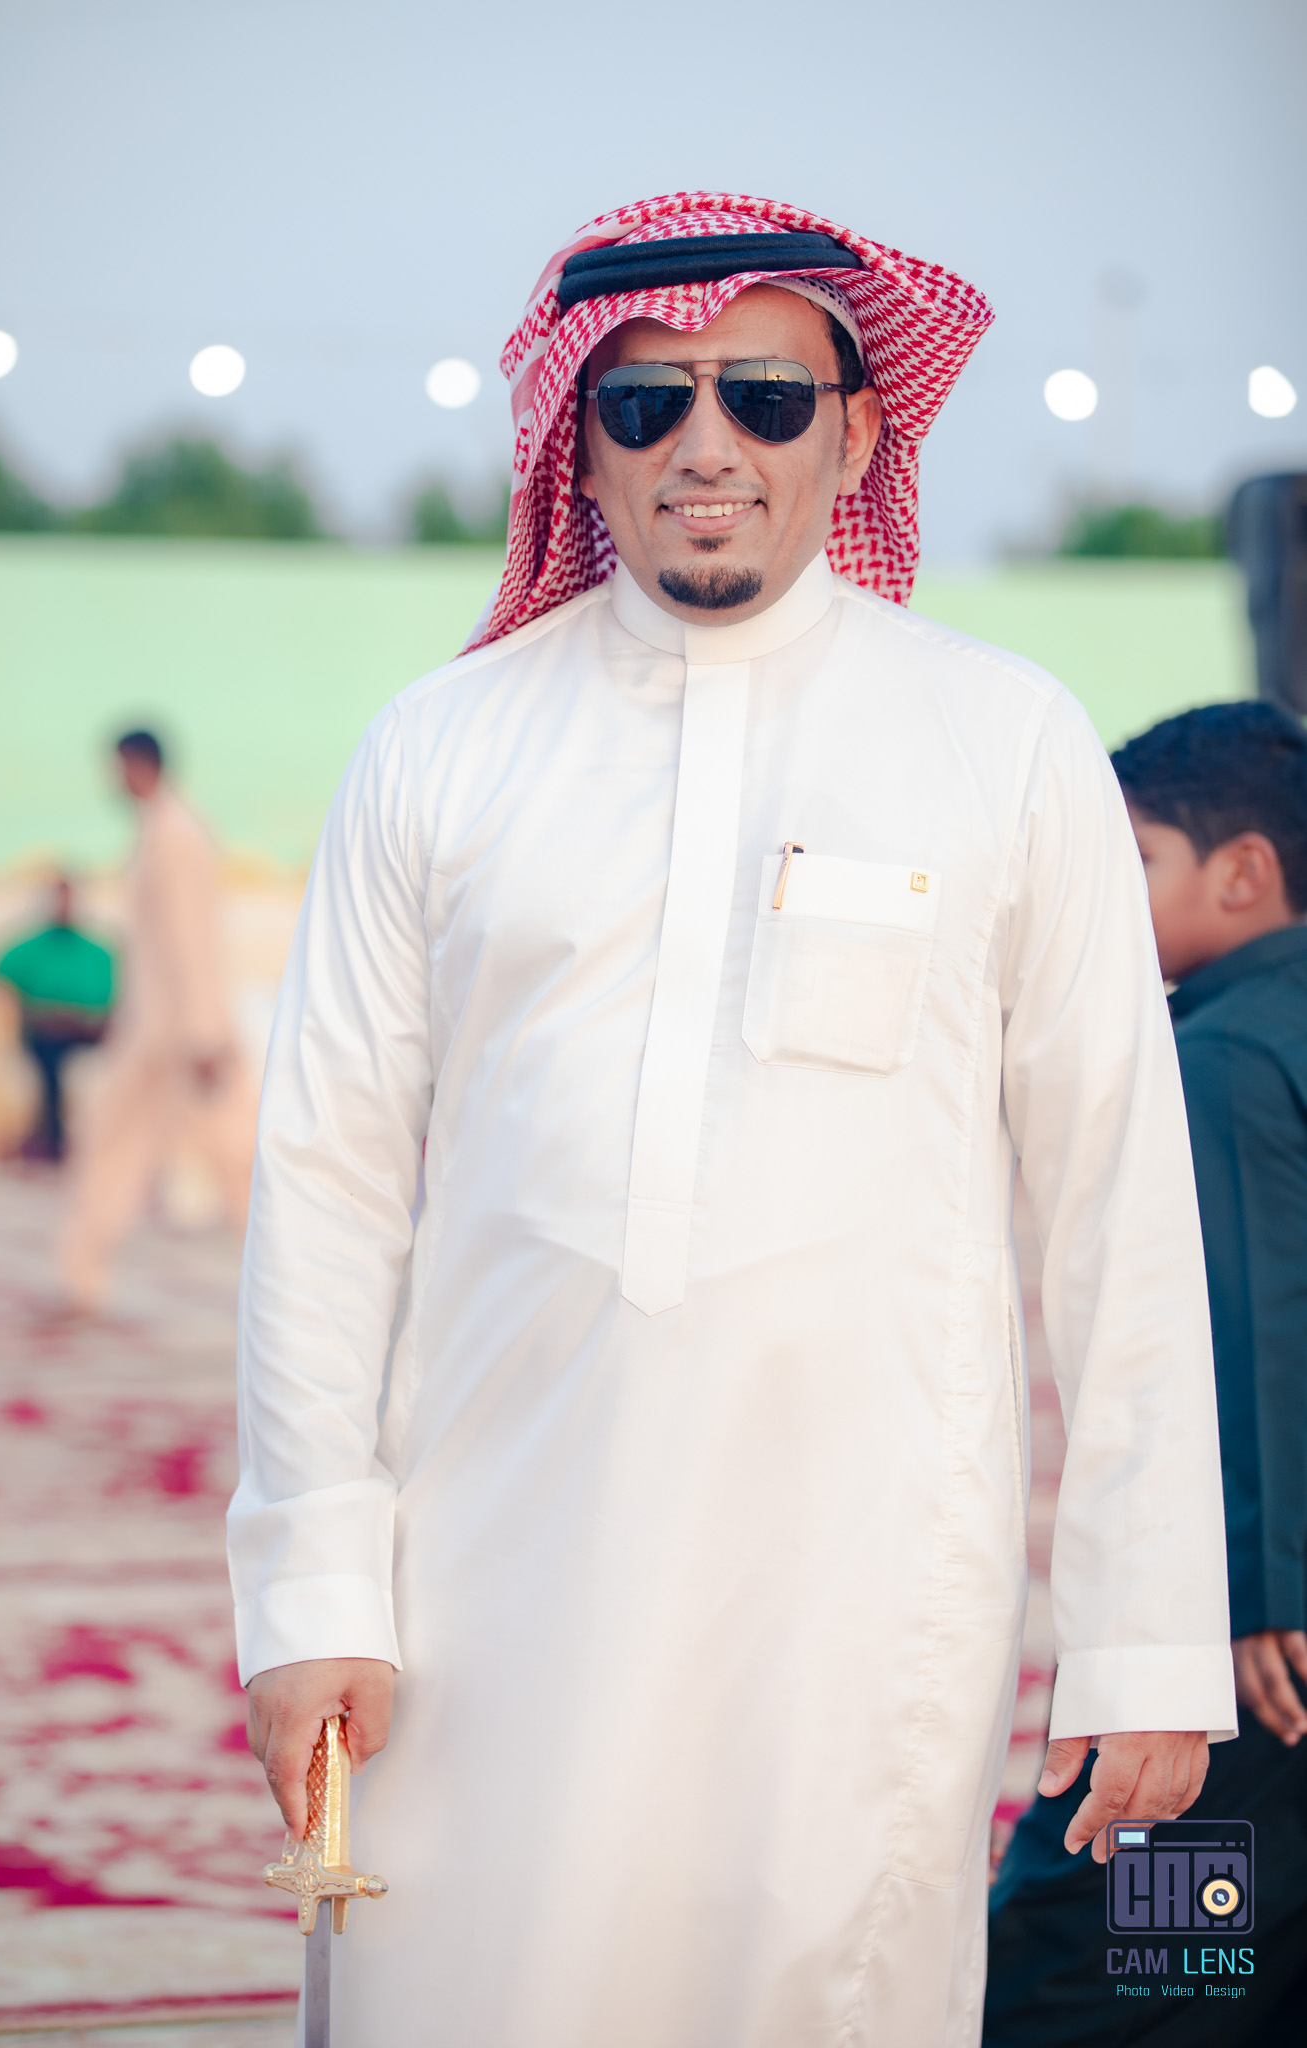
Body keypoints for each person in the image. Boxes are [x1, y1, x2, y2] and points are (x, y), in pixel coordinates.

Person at [230, 194, 1234, 2048]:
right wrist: (312, 1588)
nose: (708, 445)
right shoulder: (440, 749)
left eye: (766, 398)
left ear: (856, 433)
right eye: (649, 403)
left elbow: (1117, 1201)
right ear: (577, 443)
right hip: (474, 1595)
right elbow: (328, 1189)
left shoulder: (1002, 741)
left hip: (859, 1589)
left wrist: (1145, 1637)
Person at [984, 702, 1307, 2045]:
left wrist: (1249, 1595)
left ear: (1241, 873)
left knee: (1101, 1957)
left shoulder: (1221, 1056)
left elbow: (1247, 1326)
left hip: (1256, 1645)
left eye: (1136, 860)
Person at [56, 728, 256, 1309]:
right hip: (157, 1031)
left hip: (184, 1033)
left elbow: (190, 936)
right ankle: (81, 1272)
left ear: (139, 765)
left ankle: (283, 1282)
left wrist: (204, 1034)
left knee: (237, 1155)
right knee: (115, 1146)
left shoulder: (176, 834)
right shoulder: (160, 830)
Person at [0, 876, 115, 1158]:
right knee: (50, 1061)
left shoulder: (99, 950)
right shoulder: (26, 948)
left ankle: (116, 1143)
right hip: (48, 1033)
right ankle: (53, 1145)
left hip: (95, 1031)